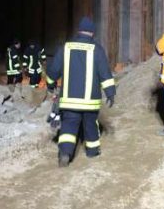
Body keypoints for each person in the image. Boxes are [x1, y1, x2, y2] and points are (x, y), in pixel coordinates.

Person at [46, 17, 116, 167]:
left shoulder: (66, 47)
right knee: (90, 126)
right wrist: (110, 93)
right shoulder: (97, 49)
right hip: (90, 102)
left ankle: (65, 153)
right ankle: (92, 152)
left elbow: (53, 70)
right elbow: (104, 73)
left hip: (69, 102)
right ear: (92, 33)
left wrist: (50, 84)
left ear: (79, 31)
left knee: (68, 127)